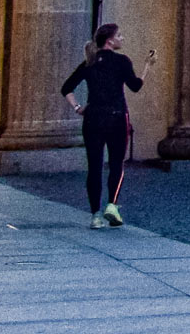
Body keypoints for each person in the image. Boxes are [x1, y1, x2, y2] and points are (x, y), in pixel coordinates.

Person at [61, 22, 144, 228]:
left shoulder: (89, 63)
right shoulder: (122, 61)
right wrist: (148, 67)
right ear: (110, 40)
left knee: (94, 166)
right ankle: (112, 205)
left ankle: (95, 215)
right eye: (120, 35)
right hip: (117, 117)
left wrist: (78, 107)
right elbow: (135, 86)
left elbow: (67, 88)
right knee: (117, 163)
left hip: (93, 117)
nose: (122, 39)